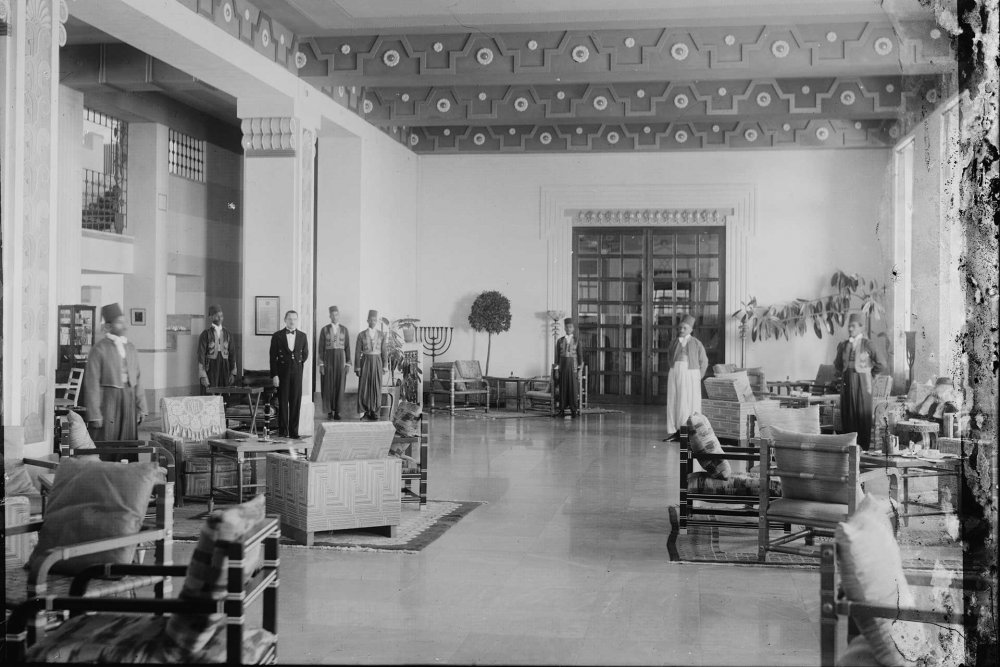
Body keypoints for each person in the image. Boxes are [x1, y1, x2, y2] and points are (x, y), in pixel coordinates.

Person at [82, 302, 147, 441]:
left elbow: (138, 380)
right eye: (119, 323)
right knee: (107, 440)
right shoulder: (99, 349)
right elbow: (91, 384)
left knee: (127, 440)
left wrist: (141, 407)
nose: (124, 326)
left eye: (124, 322)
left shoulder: (130, 348)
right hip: (108, 401)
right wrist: (94, 413)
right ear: (108, 326)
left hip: (128, 399)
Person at [834, 313, 886, 450]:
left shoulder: (868, 344)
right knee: (848, 414)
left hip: (863, 383)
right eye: (849, 326)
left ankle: (863, 450)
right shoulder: (844, 345)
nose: (850, 329)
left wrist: (870, 375)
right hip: (847, 382)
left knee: (863, 415)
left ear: (861, 328)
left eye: (853, 326)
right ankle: (849, 450)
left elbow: (881, 364)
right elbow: (838, 365)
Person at [665, 314, 708, 439]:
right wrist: (675, 369)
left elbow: (704, 361)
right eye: (680, 328)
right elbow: (669, 357)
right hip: (675, 373)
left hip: (691, 374)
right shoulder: (674, 342)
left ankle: (690, 431)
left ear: (691, 330)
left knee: (690, 401)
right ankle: (676, 430)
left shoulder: (696, 343)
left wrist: (698, 376)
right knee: (675, 399)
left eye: (684, 328)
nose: (681, 330)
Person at [269, 310, 309, 438]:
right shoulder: (277, 336)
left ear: (297, 320)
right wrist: (274, 375)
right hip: (282, 373)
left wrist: (297, 362)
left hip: (297, 373)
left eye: (294, 319)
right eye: (290, 319)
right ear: (285, 320)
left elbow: (305, 354)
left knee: (295, 402)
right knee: (282, 401)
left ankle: (293, 432)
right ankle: (283, 431)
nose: (292, 321)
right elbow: (272, 357)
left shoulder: (303, 336)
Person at [318, 306, 351, 420]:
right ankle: (329, 412)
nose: (335, 317)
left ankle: (337, 411)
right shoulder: (324, 329)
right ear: (329, 316)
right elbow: (321, 348)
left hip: (340, 359)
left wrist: (348, 363)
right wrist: (321, 364)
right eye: (332, 315)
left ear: (339, 315)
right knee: (327, 385)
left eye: (336, 314)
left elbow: (347, 347)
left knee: (339, 384)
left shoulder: (344, 329)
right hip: (328, 358)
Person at [354, 309, 387, 421]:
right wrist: (357, 367)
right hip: (366, 361)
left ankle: (375, 412)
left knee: (376, 386)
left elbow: (384, 351)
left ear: (376, 321)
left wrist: (385, 365)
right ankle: (365, 412)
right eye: (371, 319)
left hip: (377, 361)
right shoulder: (361, 335)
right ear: (367, 320)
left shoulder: (381, 335)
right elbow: (358, 352)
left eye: (375, 320)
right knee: (365, 386)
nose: (373, 321)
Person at [197, 304, 237, 393]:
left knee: (224, 393)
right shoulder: (205, 334)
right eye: (217, 316)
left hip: (225, 366)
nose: (220, 318)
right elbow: (201, 355)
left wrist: (233, 372)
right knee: (210, 392)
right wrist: (203, 375)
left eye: (221, 316)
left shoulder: (228, 334)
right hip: (210, 367)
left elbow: (232, 353)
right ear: (211, 317)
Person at [554, 318, 584, 418]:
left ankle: (573, 410)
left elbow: (580, 356)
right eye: (567, 327)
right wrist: (556, 370)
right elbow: (557, 357)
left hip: (573, 367)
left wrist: (580, 371)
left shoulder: (577, 340)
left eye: (570, 327)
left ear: (573, 328)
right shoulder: (560, 340)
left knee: (573, 389)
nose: (568, 328)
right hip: (562, 367)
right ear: (564, 328)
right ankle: (561, 410)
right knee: (563, 388)